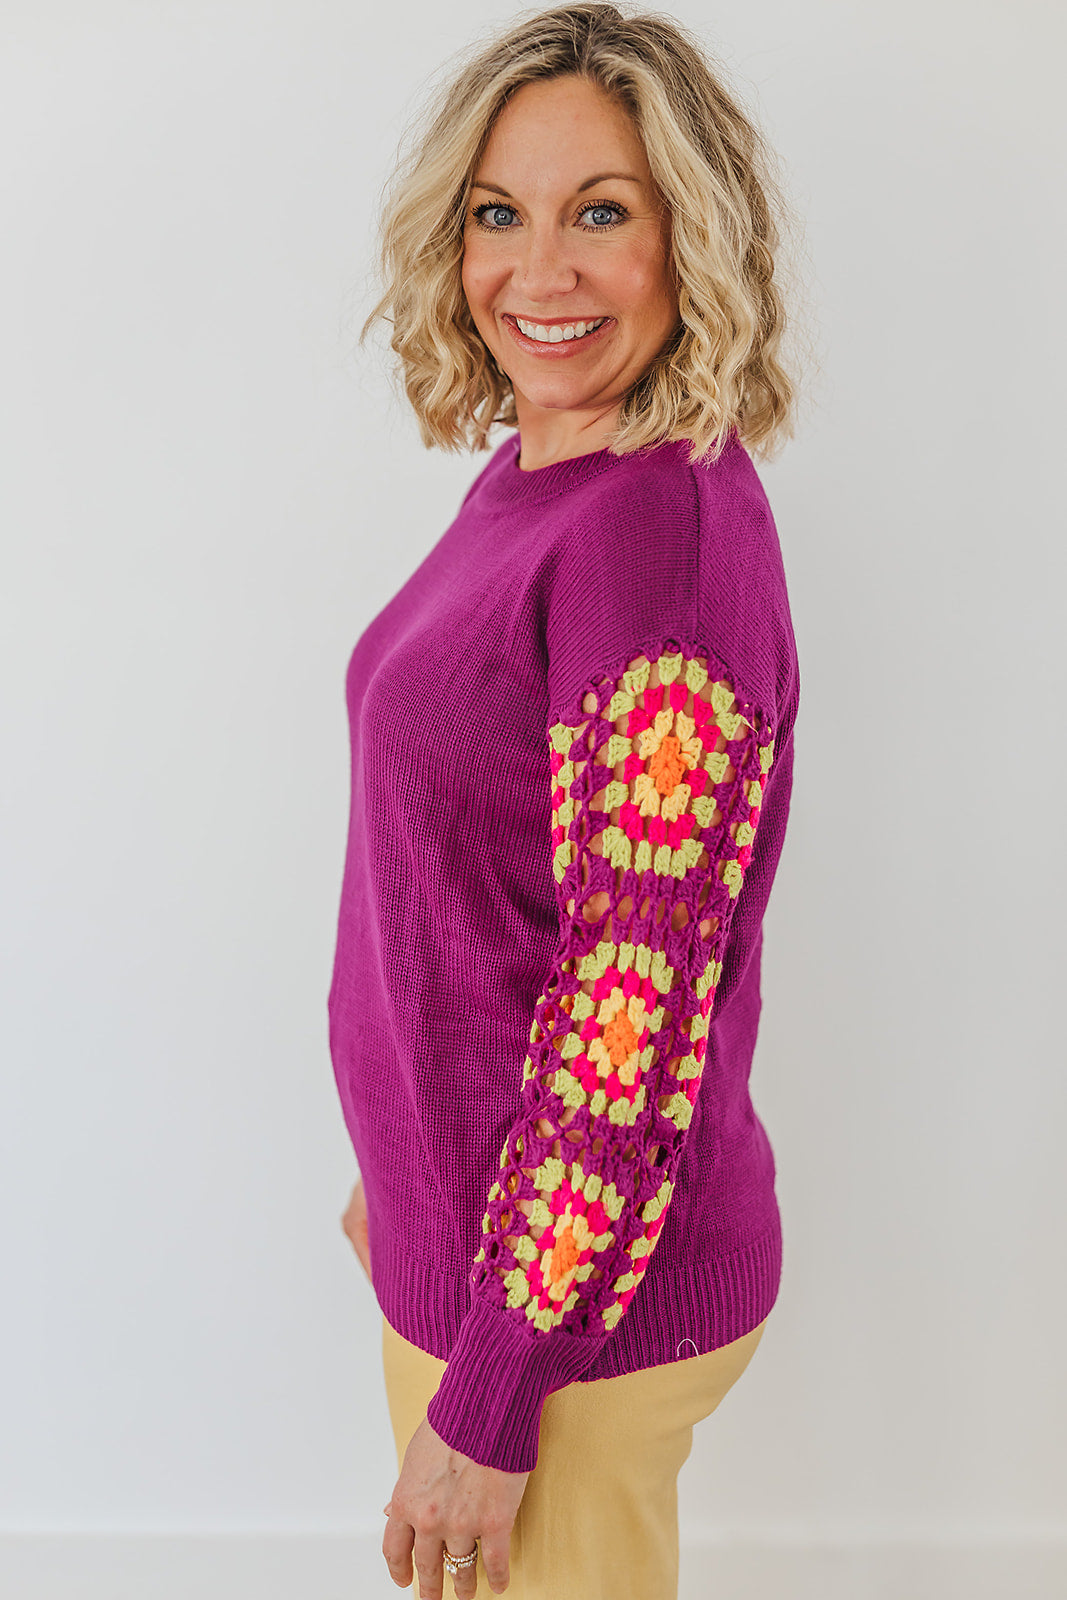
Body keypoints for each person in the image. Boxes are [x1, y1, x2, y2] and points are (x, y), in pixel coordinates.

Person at [329, 5, 806, 1597]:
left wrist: (497, 1386)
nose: (541, 271)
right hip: (485, 1254)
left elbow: (634, 1002)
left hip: (563, 1332)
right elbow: (477, 880)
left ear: (692, 238)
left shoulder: (653, 541)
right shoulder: (547, 475)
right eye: (499, 213)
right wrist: (400, 1159)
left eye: (601, 212)